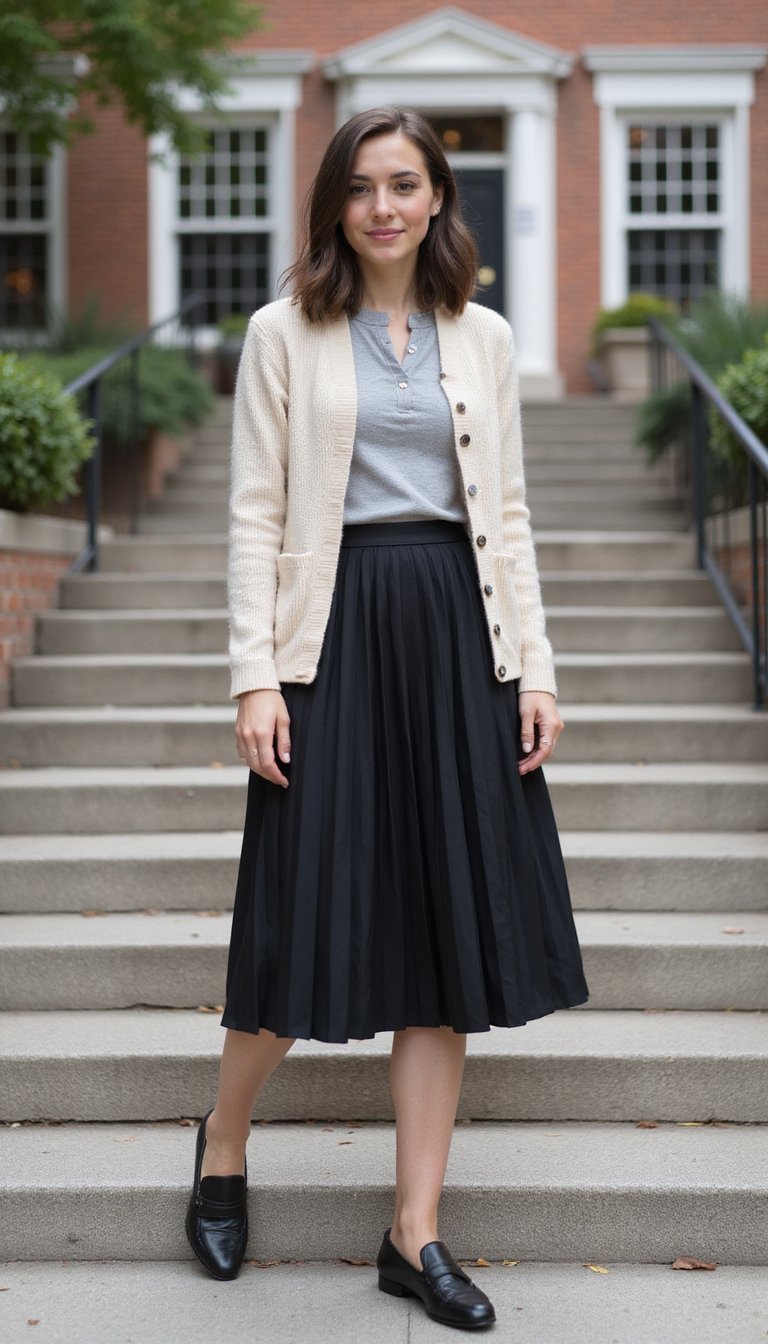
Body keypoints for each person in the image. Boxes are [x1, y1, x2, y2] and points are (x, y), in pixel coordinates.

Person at [185, 105, 590, 1331]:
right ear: (335, 202)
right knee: (302, 915)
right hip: (333, 639)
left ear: (436, 197)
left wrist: (536, 666)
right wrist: (255, 676)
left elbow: (505, 517)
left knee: (444, 936)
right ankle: (224, 1137)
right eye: (361, 186)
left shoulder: (486, 337)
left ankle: (413, 1233)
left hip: (458, 640)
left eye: (404, 184)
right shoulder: (281, 332)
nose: (383, 207)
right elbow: (256, 512)